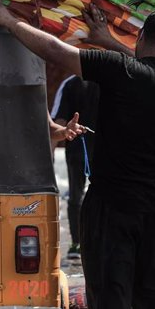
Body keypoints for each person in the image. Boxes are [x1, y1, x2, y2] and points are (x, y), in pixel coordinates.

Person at [0, 0, 155, 309]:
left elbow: (54, 50)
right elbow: (144, 67)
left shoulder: (117, 70)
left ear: (141, 37)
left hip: (112, 207)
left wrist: (8, 20)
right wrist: (106, 39)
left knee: (110, 294)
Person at [51, 75, 99, 260]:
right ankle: (93, 241)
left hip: (78, 150)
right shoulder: (106, 78)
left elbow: (60, 122)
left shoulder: (69, 84)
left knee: (76, 196)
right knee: (101, 196)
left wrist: (51, 153)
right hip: (100, 150)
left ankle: (77, 244)